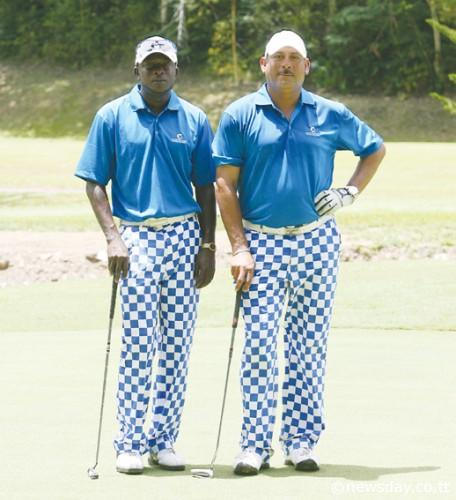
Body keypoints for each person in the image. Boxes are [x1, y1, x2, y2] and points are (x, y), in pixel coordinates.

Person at [213, 30, 385, 475]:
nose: (286, 64)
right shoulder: (240, 114)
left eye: (295, 58)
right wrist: (238, 247)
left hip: (316, 238)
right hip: (260, 241)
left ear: (307, 66)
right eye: (278, 57)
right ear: (262, 64)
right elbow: (224, 184)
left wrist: (349, 191)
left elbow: (375, 148)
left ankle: (301, 440)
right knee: (259, 344)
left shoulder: (330, 113)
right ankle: (253, 445)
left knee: (309, 345)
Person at [75, 36, 216, 475]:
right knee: (138, 345)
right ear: (136, 70)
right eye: (150, 65)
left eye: (165, 65)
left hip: (183, 237)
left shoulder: (193, 119)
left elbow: (206, 187)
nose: (159, 71)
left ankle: (164, 440)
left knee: (178, 345)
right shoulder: (112, 116)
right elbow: (95, 182)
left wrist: (208, 245)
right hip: (135, 239)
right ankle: (130, 443)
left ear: (176, 71)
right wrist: (112, 238)